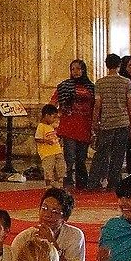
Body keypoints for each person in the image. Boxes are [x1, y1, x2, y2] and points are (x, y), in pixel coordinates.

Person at [8, 185, 90, 261]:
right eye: (44, 208)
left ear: (65, 218)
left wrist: (52, 243)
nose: (47, 215)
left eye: (55, 212)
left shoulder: (74, 236)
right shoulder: (24, 238)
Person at [91, 55, 131, 191]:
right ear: (120, 65)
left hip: (106, 123)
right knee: (118, 155)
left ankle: (94, 182)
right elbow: (130, 105)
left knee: (101, 154)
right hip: (122, 122)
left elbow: (97, 105)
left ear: (106, 65)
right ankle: (113, 183)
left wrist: (94, 122)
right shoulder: (126, 82)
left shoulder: (100, 83)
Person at [53, 60, 94, 189]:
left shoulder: (91, 87)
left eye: (78, 69)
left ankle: (82, 181)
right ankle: (68, 180)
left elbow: (95, 106)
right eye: (73, 69)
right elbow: (53, 102)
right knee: (69, 156)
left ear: (83, 70)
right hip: (69, 125)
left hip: (85, 125)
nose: (75, 72)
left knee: (81, 157)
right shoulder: (64, 86)